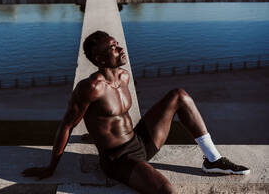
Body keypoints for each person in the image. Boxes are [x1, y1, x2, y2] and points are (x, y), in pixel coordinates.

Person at [22, 31, 250, 194]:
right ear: (100, 59)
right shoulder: (91, 87)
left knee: (179, 95)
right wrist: (51, 167)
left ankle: (213, 159)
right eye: (113, 48)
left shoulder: (123, 76)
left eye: (118, 43)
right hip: (119, 159)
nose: (121, 49)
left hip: (140, 141)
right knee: (165, 190)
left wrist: (96, 133)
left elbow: (112, 116)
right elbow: (67, 125)